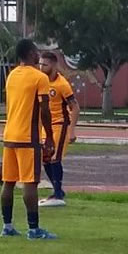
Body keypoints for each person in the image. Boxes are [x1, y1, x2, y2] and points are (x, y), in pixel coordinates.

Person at [0, 38, 56, 239]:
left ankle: (7, 226)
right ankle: (34, 229)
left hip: (9, 135)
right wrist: (49, 136)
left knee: (8, 182)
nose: (39, 54)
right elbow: (44, 110)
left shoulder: (12, 75)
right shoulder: (39, 78)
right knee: (30, 183)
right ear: (31, 53)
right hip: (27, 137)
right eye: (36, 51)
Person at [37, 49, 79, 208]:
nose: (41, 67)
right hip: (46, 126)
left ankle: (57, 193)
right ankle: (57, 191)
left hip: (60, 125)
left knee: (55, 157)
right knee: (45, 158)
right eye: (40, 64)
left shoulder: (62, 84)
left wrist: (72, 130)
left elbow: (75, 107)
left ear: (54, 65)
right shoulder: (40, 81)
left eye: (45, 64)